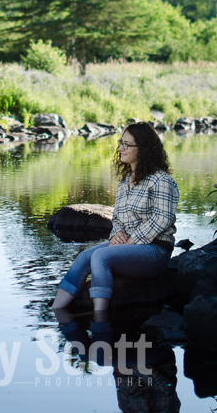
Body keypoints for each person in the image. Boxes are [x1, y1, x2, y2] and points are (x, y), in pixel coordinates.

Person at [52, 122, 179, 311]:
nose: (120, 148)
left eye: (126, 144)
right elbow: (118, 218)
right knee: (85, 256)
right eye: (121, 142)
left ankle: (100, 316)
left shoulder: (161, 180)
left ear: (143, 149)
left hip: (156, 250)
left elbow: (162, 219)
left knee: (100, 257)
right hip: (129, 244)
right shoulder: (125, 182)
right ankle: (56, 309)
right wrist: (117, 234)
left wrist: (131, 241)